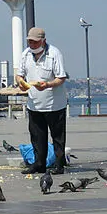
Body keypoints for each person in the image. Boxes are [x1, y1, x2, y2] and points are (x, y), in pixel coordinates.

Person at [15, 27, 69, 175]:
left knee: (58, 137)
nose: (31, 44)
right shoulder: (26, 54)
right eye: (30, 41)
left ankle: (59, 164)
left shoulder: (54, 54)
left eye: (34, 42)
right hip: (34, 104)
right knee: (37, 137)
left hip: (54, 105)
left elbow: (61, 77)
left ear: (43, 41)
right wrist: (21, 82)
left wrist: (48, 85)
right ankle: (39, 164)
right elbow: (19, 74)